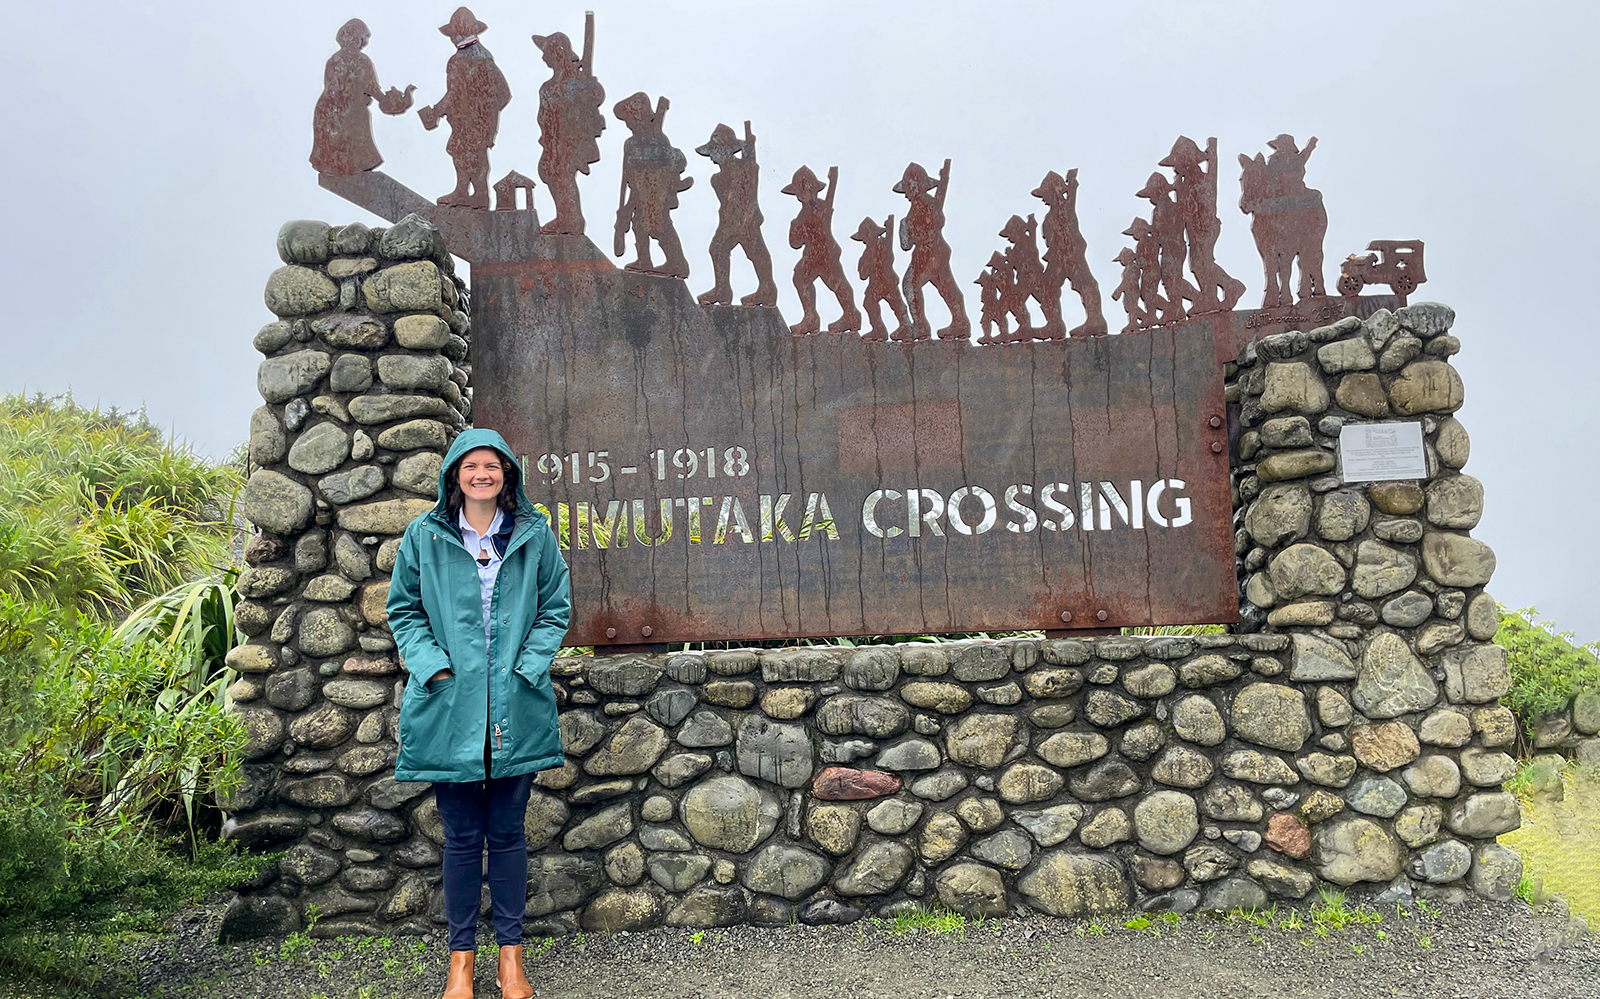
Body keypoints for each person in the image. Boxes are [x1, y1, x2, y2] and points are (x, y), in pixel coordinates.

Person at [388, 429, 571, 999]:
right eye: (472, 467)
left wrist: (529, 667)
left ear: (507, 474)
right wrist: (434, 668)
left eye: (492, 466)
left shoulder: (535, 535)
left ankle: (511, 960)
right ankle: (461, 961)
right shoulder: (425, 535)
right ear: (454, 476)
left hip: (515, 702)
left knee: (509, 833)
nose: (482, 475)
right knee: (463, 838)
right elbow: (405, 611)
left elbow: (554, 607)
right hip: (452, 708)